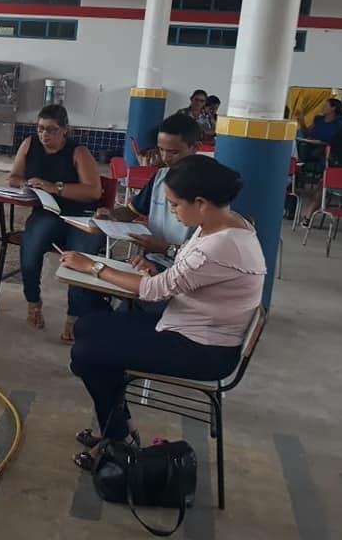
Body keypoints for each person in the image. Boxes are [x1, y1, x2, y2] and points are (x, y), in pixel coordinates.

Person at [61, 155, 265, 470]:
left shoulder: (220, 246)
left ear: (200, 202)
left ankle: (117, 438)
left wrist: (93, 266)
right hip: (187, 322)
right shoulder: (221, 223)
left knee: (87, 353)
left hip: (204, 349)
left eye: (173, 205)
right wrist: (154, 269)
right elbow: (182, 272)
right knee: (89, 328)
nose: (170, 212)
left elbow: (155, 290)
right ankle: (117, 429)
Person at [9, 105, 104, 341]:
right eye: (40, 129)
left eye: (51, 130)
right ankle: (33, 304)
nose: (45, 135)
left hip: (81, 215)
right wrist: (25, 185)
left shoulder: (78, 152)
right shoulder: (29, 145)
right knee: (30, 250)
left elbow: (93, 192)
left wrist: (56, 188)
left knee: (82, 258)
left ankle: (74, 318)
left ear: (65, 130)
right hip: (47, 213)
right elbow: (14, 176)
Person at [97, 114, 200, 269]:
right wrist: (112, 214)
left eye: (174, 152)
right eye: (161, 150)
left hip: (186, 268)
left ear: (195, 148)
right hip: (151, 260)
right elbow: (133, 211)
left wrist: (166, 248)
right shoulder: (160, 176)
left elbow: (207, 256)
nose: (165, 158)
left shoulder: (207, 186)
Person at [300, 119, 342, 226]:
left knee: (323, 188)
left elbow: (332, 143)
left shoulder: (341, 127)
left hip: (337, 169)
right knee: (322, 188)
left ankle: (308, 216)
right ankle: (308, 214)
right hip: (339, 167)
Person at [295, 98, 342, 165]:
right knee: (298, 134)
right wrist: (301, 121)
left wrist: (323, 147)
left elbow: (339, 141)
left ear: (333, 108)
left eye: (325, 106)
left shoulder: (339, 123)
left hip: (326, 149)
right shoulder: (318, 118)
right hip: (311, 146)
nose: (322, 108)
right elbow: (307, 133)